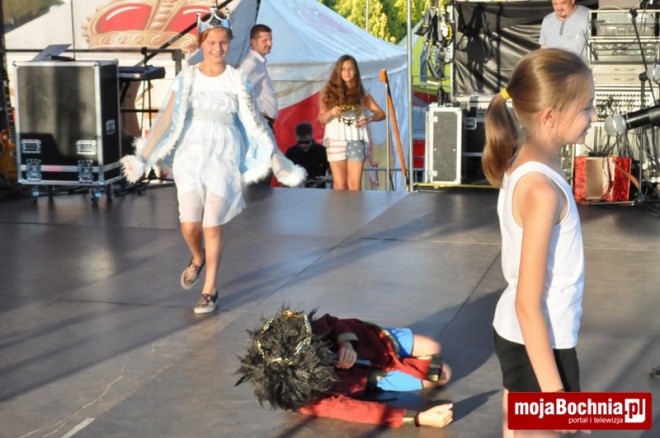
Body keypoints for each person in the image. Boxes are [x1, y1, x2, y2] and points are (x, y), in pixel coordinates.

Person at [120, 6, 305, 314]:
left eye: (223, 42)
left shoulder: (237, 79)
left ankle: (210, 289)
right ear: (201, 43)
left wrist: (278, 161)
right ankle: (197, 257)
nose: (217, 49)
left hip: (224, 154)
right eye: (211, 43)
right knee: (189, 224)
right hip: (191, 154)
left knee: (212, 223)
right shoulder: (188, 77)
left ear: (230, 43)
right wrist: (144, 156)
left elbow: (256, 124)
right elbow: (166, 119)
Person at [482, 48, 596, 436]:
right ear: (549, 117)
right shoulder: (541, 191)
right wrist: (557, 397)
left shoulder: (526, 161)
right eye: (586, 108)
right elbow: (527, 304)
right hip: (539, 342)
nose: (593, 116)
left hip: (525, 339)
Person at [235, 308, 453, 429]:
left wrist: (346, 344)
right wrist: (418, 418)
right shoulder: (309, 400)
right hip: (373, 376)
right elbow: (357, 411)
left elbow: (332, 322)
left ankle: (402, 351)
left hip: (372, 341)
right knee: (442, 374)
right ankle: (408, 364)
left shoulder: (304, 334)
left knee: (433, 347)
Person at [317, 55, 385, 191]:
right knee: (340, 185)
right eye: (343, 69)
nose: (347, 72)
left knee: (354, 185)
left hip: (356, 139)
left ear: (355, 71)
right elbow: (320, 118)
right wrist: (331, 112)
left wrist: (368, 119)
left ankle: (355, 206)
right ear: (338, 71)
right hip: (335, 139)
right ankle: (340, 206)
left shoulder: (361, 92)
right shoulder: (328, 92)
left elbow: (381, 114)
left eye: (351, 69)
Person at [240, 24, 278, 130]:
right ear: (254, 42)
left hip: (263, 122)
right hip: (259, 123)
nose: (269, 43)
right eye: (264, 40)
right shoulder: (251, 63)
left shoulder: (257, 62)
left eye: (270, 39)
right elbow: (240, 90)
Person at [539, 0, 590, 64]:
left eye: (563, 3)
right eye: (555, 4)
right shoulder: (547, 20)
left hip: (579, 68)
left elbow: (598, 49)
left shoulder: (588, 16)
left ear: (572, 1)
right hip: (553, 68)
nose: (559, 8)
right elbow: (544, 48)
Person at [285, 122, 330, 188]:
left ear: (311, 136)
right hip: (296, 190)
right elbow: (284, 176)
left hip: (317, 190)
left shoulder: (322, 151)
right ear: (296, 138)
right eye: (300, 143)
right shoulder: (291, 152)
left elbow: (335, 175)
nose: (304, 145)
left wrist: (324, 179)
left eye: (307, 142)